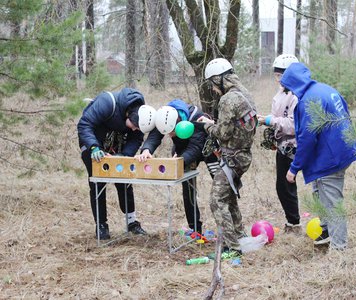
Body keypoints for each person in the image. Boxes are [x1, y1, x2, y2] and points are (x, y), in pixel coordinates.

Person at [280, 62, 356, 250]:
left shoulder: (309, 101)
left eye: (289, 87)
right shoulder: (325, 89)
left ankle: (339, 249)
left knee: (332, 203)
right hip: (344, 149)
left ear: (294, 83)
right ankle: (324, 232)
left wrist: (294, 169)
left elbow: (307, 139)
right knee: (320, 189)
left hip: (332, 157)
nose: (289, 92)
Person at [197, 58, 257, 257]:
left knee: (216, 200)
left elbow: (222, 133)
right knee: (228, 197)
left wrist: (206, 124)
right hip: (242, 155)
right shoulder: (244, 94)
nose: (214, 90)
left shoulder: (228, 99)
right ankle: (239, 236)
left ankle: (232, 247)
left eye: (213, 85)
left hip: (233, 157)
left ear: (219, 80)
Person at [77, 88, 153, 240]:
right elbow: (84, 124)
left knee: (124, 181)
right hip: (93, 144)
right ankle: (101, 225)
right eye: (134, 125)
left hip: (117, 145)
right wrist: (94, 147)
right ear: (128, 115)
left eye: (138, 128)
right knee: (98, 183)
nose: (134, 129)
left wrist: (123, 156)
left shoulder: (142, 114)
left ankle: (132, 223)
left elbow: (136, 139)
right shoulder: (107, 103)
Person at [135, 99, 219, 234]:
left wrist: (180, 160)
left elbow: (196, 147)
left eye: (172, 132)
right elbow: (155, 136)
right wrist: (147, 150)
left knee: (221, 188)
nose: (170, 135)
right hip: (183, 150)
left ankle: (229, 229)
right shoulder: (163, 115)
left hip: (208, 149)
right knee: (188, 189)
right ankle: (195, 228)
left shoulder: (196, 118)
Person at [258, 54, 301, 233]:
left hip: (295, 146)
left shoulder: (296, 96)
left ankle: (295, 223)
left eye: (280, 75)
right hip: (283, 145)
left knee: (287, 184)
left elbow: (293, 124)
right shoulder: (282, 91)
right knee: (282, 185)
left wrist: (271, 121)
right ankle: (292, 221)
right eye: (276, 75)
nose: (278, 79)